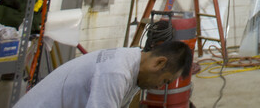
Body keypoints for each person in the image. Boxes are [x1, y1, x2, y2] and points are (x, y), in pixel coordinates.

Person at [14, 40, 192, 108]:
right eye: (165, 80)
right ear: (159, 62)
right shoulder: (117, 72)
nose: (160, 86)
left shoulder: (132, 64)